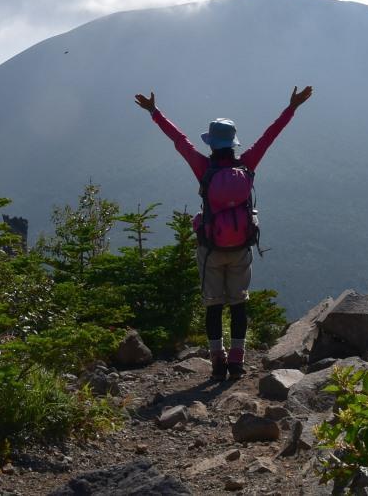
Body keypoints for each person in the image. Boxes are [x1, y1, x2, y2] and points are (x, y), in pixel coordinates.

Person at [134, 86, 313, 380]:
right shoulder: (247, 164)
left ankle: (218, 362)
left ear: (211, 144)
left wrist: (155, 113)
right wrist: (291, 107)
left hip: (211, 248)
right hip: (241, 246)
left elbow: (179, 141)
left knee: (214, 306)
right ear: (233, 143)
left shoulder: (203, 167)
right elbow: (270, 136)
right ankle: (237, 362)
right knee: (239, 304)